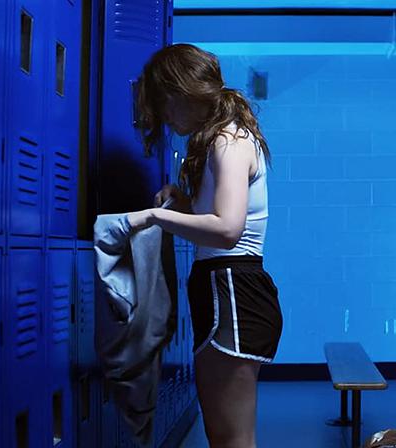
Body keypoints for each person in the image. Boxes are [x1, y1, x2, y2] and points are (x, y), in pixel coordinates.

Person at [126, 43, 282, 448]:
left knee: (231, 440)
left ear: (182, 93)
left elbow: (228, 230)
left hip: (231, 289)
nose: (163, 115)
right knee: (227, 438)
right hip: (225, 287)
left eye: (163, 102)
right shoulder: (219, 140)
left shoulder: (229, 141)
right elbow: (216, 219)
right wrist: (181, 203)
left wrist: (156, 217)